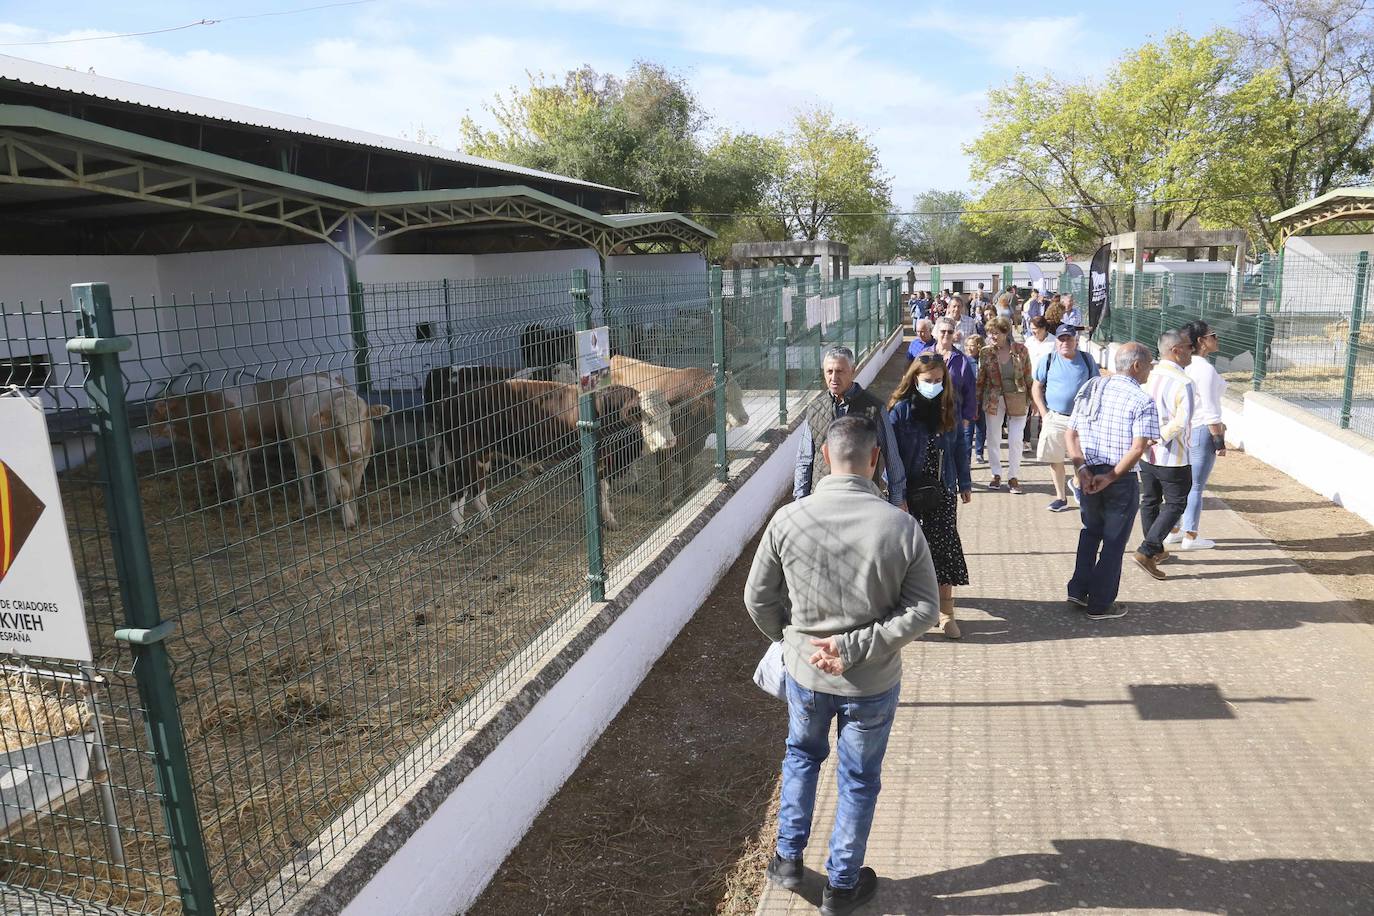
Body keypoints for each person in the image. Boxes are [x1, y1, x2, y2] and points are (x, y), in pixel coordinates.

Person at [748, 416, 940, 915]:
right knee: (857, 778)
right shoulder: (901, 526)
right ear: (875, 459)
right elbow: (924, 610)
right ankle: (841, 885)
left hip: (806, 674)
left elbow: (757, 599)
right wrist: (854, 648)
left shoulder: (790, 520)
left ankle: (787, 861)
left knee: (801, 758)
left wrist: (791, 642)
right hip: (872, 681)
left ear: (828, 458)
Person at [1064, 343, 1160, 619]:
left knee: (1090, 531)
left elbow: (1071, 435)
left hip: (1089, 471)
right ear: (1136, 366)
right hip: (1118, 477)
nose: (1150, 370)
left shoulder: (1093, 387)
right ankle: (1100, 604)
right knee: (1114, 541)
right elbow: (1138, 448)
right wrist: (1112, 476)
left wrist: (1081, 468)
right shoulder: (1142, 400)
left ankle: (1079, 590)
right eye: (1149, 365)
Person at [888, 352, 973, 639]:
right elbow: (891, 456)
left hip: (943, 488)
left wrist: (965, 482)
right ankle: (912, 613)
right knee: (909, 553)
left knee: (944, 547)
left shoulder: (950, 405)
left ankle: (946, 612)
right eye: (928, 380)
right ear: (914, 379)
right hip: (910, 492)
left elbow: (960, 445)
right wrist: (897, 495)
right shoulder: (900, 410)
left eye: (939, 380)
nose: (934, 385)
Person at [795, 346, 906, 510]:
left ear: (853, 370)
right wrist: (800, 501)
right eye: (829, 371)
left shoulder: (874, 408)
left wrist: (896, 501)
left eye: (839, 371)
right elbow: (804, 460)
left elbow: (892, 456)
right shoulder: (814, 409)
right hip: (822, 501)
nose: (833, 377)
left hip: (862, 501)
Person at [1133, 330, 1195, 580]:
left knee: (1150, 500)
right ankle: (1147, 551)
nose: (1193, 350)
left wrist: (1146, 437)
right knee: (1176, 503)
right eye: (1189, 346)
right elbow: (1182, 421)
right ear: (1176, 350)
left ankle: (1155, 548)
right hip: (1173, 456)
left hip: (1147, 453)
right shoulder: (1183, 382)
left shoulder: (1150, 375)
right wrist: (1160, 436)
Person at [1167, 321, 1228, 550]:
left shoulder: (1185, 365)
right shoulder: (1205, 369)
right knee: (1196, 486)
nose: (1217, 339)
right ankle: (1190, 535)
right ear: (1202, 341)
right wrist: (1218, 439)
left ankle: (1174, 529)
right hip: (1202, 429)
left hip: (1184, 429)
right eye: (1213, 335)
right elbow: (1211, 409)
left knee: (1184, 483)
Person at [1031, 324, 1100, 511]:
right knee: (1055, 458)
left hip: (1082, 419)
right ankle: (1061, 497)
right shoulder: (1048, 360)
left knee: (1081, 457)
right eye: (1061, 339)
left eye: (1069, 338)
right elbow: (1036, 387)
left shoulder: (1087, 359)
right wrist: (1044, 414)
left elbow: (1097, 385)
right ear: (1057, 341)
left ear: (1075, 340)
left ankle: (1077, 483)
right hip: (1055, 417)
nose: (1065, 342)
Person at [975, 317, 1033, 493]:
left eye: (996, 332)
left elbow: (1028, 376)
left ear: (1006, 332)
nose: (992, 336)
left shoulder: (1021, 350)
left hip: (1018, 398)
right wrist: (976, 403)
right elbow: (981, 379)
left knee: (1016, 439)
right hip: (994, 399)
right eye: (990, 332)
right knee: (993, 437)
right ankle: (996, 474)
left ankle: (1013, 477)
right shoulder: (985, 352)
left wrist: (1034, 401)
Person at [929, 317, 979, 454]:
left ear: (954, 335)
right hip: (927, 414)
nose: (946, 334)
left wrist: (967, 417)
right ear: (936, 332)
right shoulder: (925, 356)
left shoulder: (962, 360)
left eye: (950, 332)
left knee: (950, 457)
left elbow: (970, 390)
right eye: (943, 331)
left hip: (953, 417)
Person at [964, 334, 987, 464]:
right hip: (969, 401)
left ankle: (979, 453)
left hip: (983, 399)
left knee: (981, 428)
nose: (969, 348)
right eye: (967, 345)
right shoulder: (964, 361)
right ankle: (966, 456)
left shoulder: (983, 361)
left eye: (972, 345)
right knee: (968, 431)